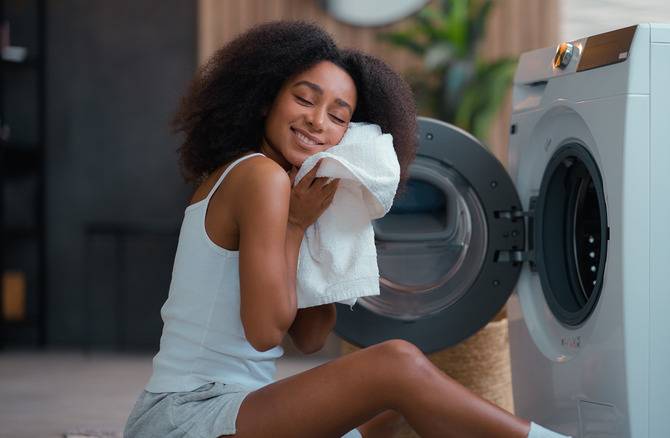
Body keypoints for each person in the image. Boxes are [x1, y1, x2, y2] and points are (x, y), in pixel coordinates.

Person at [124, 20, 570, 438]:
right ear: (265, 99)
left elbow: (312, 336)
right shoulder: (259, 177)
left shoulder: (275, 182)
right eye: (303, 98)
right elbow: (264, 333)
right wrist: (296, 226)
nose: (317, 121)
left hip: (231, 406)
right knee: (397, 365)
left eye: (338, 117)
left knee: (395, 401)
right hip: (187, 415)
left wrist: (314, 227)